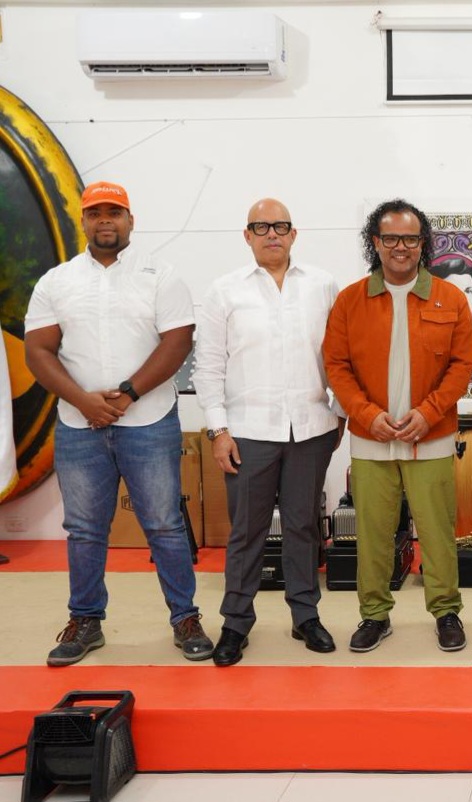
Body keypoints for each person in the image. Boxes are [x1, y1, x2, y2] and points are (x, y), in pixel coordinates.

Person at [24, 181, 213, 665]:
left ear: (132, 220)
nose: (105, 220)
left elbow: (177, 343)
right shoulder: (57, 281)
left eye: (115, 212)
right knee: (85, 529)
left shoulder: (161, 276)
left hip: (148, 420)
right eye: (95, 213)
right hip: (77, 423)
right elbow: (38, 351)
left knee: (165, 525)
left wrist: (127, 394)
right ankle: (85, 621)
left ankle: (185, 618)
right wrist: (84, 402)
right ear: (82, 222)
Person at [193, 198, 342, 667]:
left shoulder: (322, 285)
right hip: (248, 431)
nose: (271, 234)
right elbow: (209, 366)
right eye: (261, 226)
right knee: (247, 532)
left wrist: (337, 413)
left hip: (311, 428)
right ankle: (236, 623)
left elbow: (340, 356)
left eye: (280, 226)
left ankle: (305, 615)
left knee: (303, 526)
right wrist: (218, 429)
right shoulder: (224, 291)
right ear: (247, 236)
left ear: (294, 233)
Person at [323, 199, 472, 653]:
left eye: (410, 238)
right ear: (376, 243)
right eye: (391, 238)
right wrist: (367, 415)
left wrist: (428, 413)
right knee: (372, 533)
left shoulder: (449, 298)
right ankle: (374, 615)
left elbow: (463, 363)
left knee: (437, 530)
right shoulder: (351, 300)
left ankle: (446, 611)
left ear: (423, 243)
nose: (401, 247)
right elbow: (336, 364)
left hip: (432, 437)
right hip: (372, 439)